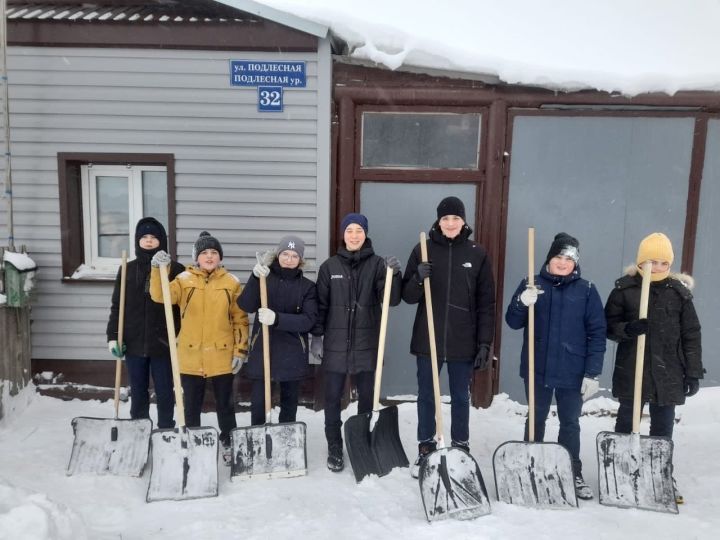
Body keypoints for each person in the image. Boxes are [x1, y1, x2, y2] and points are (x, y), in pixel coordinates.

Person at [505, 232, 606, 500]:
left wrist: (592, 372)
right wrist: (521, 302)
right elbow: (512, 322)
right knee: (535, 418)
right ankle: (529, 465)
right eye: (558, 257)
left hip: (572, 371)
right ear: (549, 259)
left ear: (576, 263)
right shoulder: (532, 285)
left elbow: (597, 333)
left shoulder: (586, 290)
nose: (563, 262)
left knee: (570, 423)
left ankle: (572, 470)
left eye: (568, 259)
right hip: (537, 368)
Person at [605, 232, 703, 504]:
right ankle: (620, 471)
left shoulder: (679, 294)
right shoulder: (624, 291)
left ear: (669, 264)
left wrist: (693, 371)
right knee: (627, 421)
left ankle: (660, 473)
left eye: (662, 262)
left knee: (663, 426)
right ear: (640, 262)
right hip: (632, 368)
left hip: (668, 372)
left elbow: (691, 333)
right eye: (650, 262)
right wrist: (629, 329)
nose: (656, 267)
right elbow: (609, 327)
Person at [402, 196, 495, 478]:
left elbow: (486, 302)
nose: (451, 223)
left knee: (460, 397)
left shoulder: (477, 254)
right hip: (427, 339)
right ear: (438, 222)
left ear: (464, 221)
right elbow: (407, 296)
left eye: (455, 218)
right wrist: (418, 278)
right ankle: (425, 448)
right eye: (445, 219)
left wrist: (484, 343)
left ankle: (461, 447)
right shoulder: (424, 250)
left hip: (463, 340)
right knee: (427, 396)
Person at [313, 213, 402, 472]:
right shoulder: (329, 267)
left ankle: (362, 442)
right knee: (331, 399)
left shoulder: (377, 265)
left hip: (366, 345)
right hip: (335, 346)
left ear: (366, 234)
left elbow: (391, 300)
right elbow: (321, 306)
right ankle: (334, 446)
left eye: (359, 231)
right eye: (349, 230)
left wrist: (393, 275)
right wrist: (317, 337)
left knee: (366, 397)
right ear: (343, 234)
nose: (354, 235)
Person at [149, 231, 249, 462]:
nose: (210, 256)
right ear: (197, 258)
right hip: (190, 354)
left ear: (220, 257)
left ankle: (228, 441)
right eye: (204, 252)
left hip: (221, 353)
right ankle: (192, 443)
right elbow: (159, 295)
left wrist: (240, 350)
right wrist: (157, 270)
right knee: (191, 406)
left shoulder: (231, 282)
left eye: (214, 252)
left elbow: (240, 319)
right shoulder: (183, 280)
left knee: (225, 404)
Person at [106, 217, 184, 429]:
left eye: (154, 237)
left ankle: (166, 428)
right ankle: (139, 428)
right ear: (137, 241)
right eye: (144, 237)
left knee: (165, 390)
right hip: (134, 342)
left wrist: (180, 335)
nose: (149, 241)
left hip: (164, 343)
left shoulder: (175, 269)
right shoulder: (128, 269)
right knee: (138, 390)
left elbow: (183, 309)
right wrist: (113, 337)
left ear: (162, 241)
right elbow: (117, 305)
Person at [237, 235, 318, 426]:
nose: (289, 259)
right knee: (258, 404)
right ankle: (257, 441)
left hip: (293, 353)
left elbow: (308, 321)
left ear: (300, 260)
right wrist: (255, 277)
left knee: (289, 407)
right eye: (285, 254)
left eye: (294, 256)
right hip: (263, 350)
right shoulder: (264, 279)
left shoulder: (307, 287)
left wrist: (277, 319)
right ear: (277, 255)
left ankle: (286, 443)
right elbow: (245, 305)